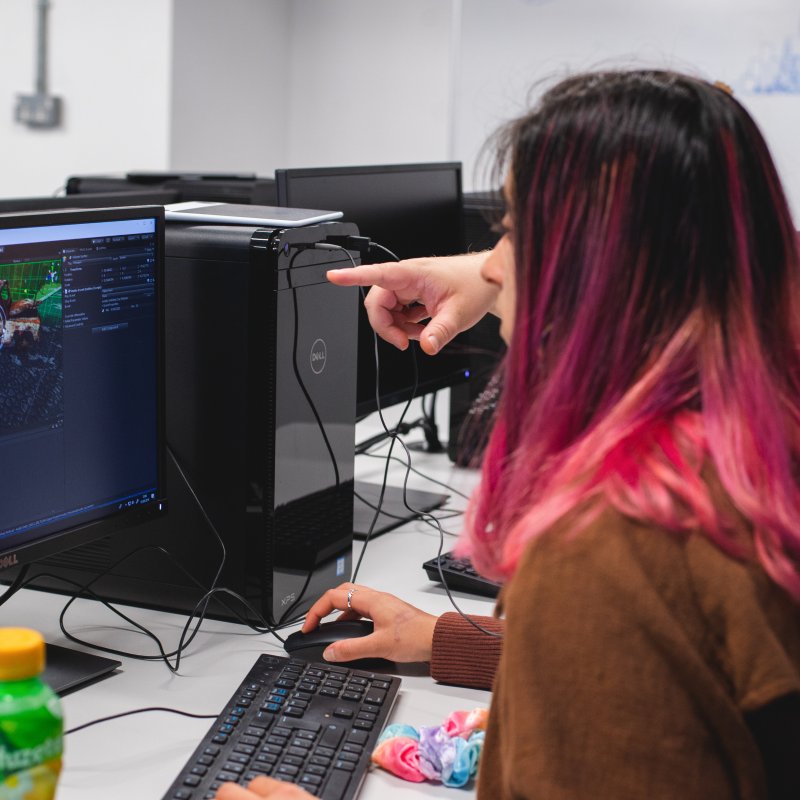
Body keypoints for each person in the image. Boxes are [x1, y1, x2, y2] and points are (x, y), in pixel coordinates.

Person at [217, 69, 800, 799]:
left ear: (596, 274)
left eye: (513, 232)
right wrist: (447, 641)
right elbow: (650, 681)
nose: (490, 267)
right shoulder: (756, 449)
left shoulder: (613, 543)